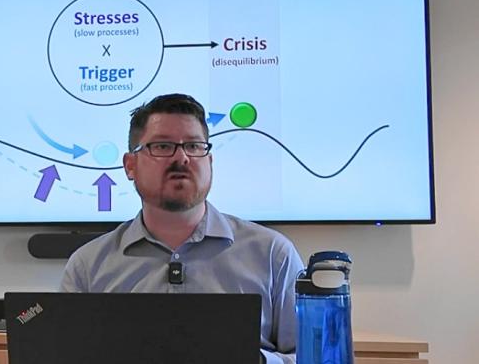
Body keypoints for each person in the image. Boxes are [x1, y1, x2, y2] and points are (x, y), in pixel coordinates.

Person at [60, 93, 303, 364]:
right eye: (163, 146)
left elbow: (314, 358)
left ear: (209, 163)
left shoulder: (273, 255)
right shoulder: (88, 266)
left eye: (194, 146)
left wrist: (257, 361)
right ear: (130, 165)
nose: (183, 158)